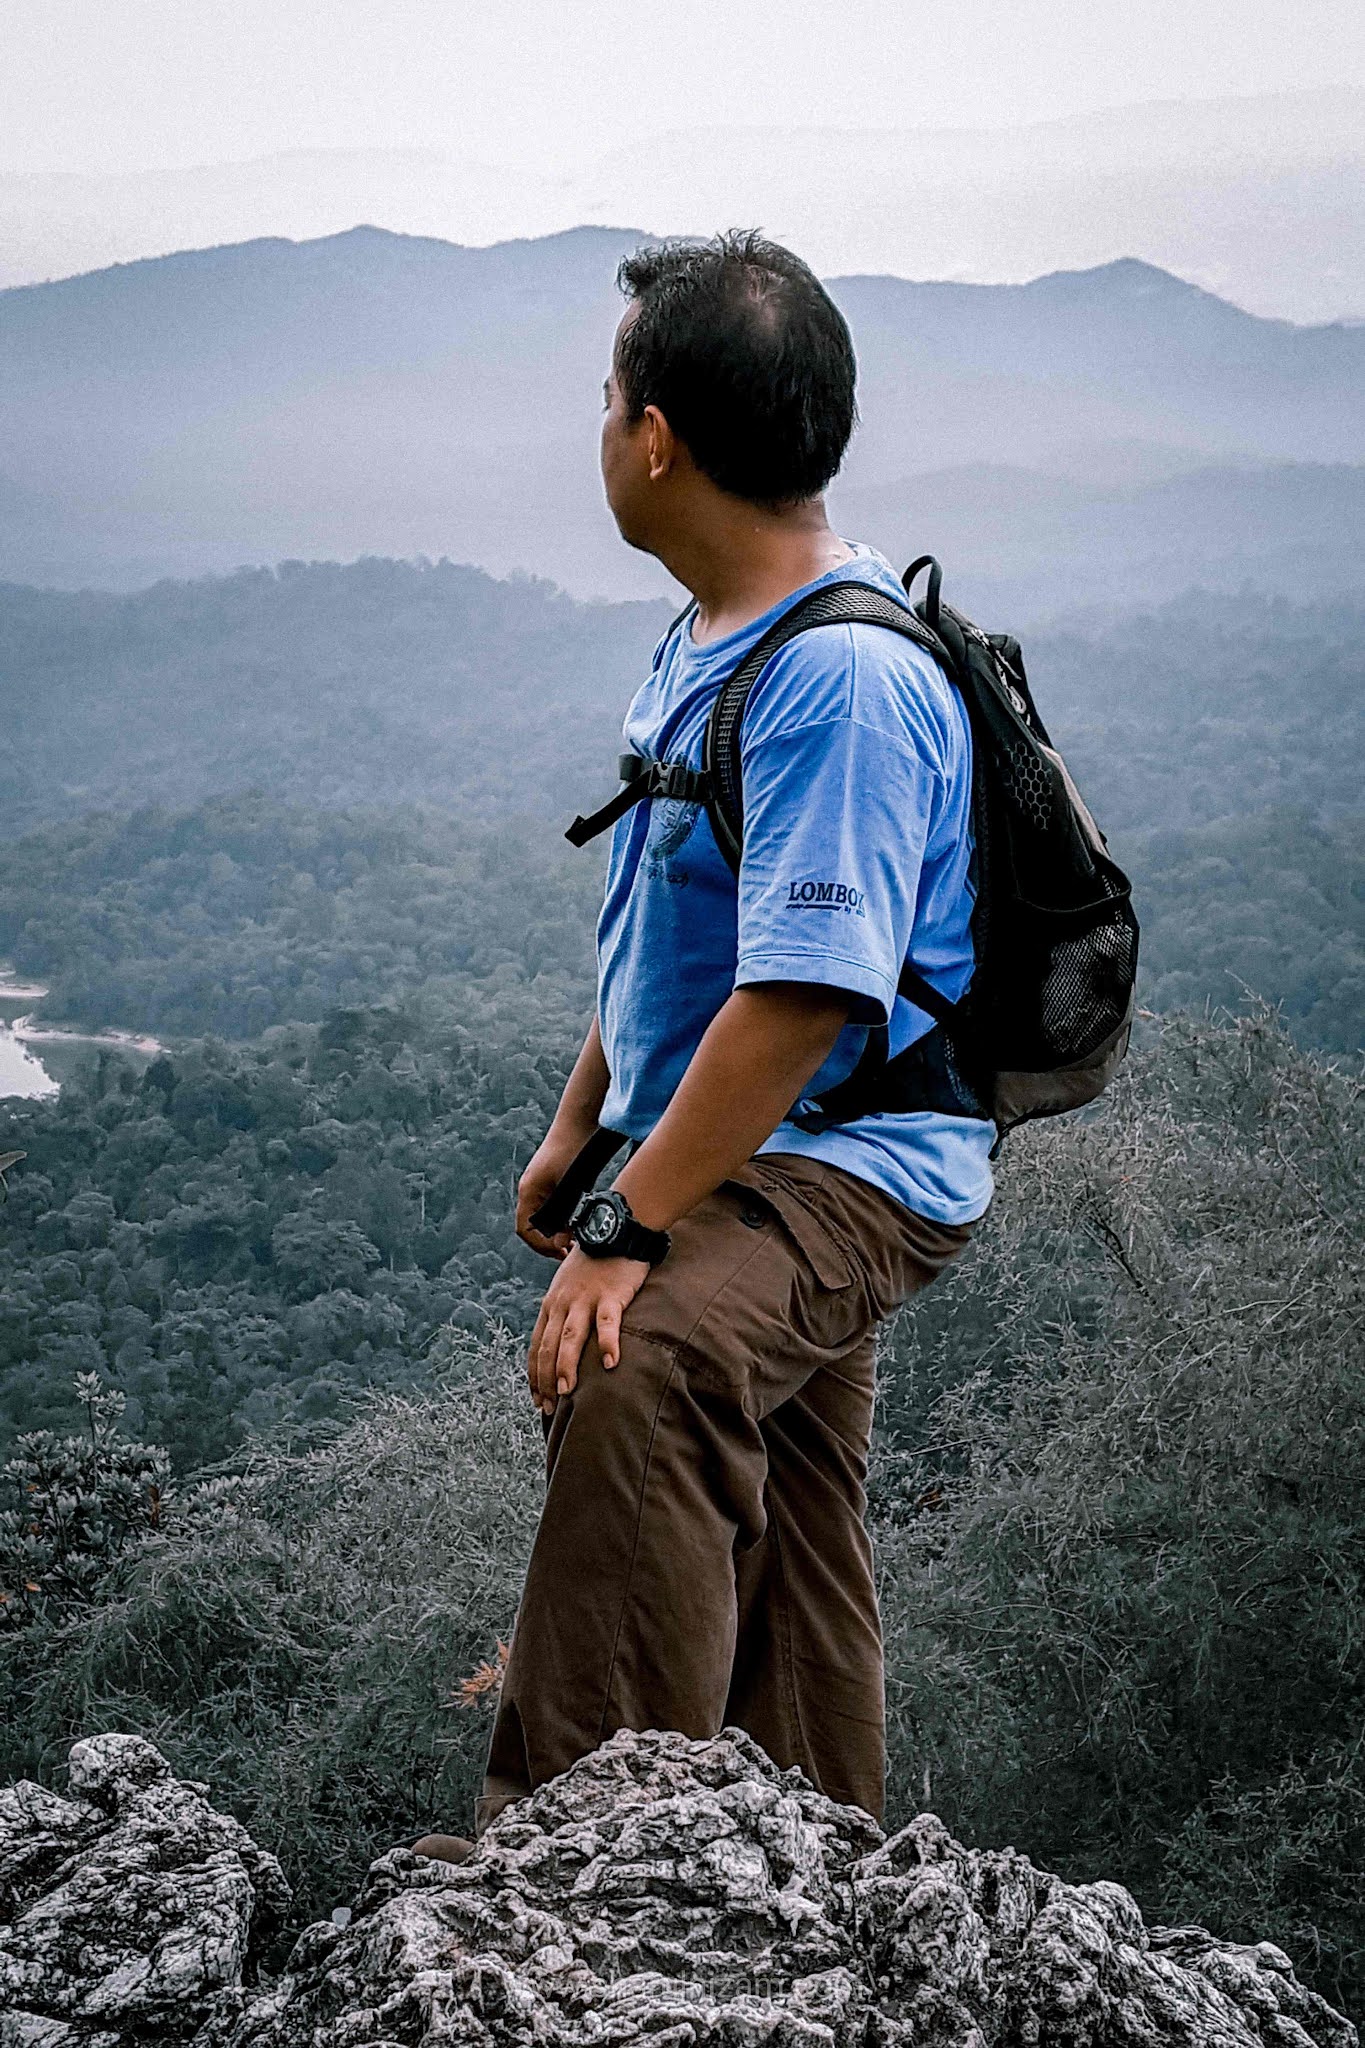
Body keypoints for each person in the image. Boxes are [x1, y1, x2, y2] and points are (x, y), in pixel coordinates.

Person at [411, 230, 994, 1863]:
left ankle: (584, 1851)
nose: (599, 429)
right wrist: (580, 1126)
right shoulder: (709, 636)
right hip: (744, 1137)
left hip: (849, 1159)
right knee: (795, 1508)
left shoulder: (842, 679)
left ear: (653, 436)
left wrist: (625, 1227)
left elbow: (803, 1000)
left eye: (607, 399)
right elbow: (674, 930)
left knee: (640, 1362)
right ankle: (814, 1856)